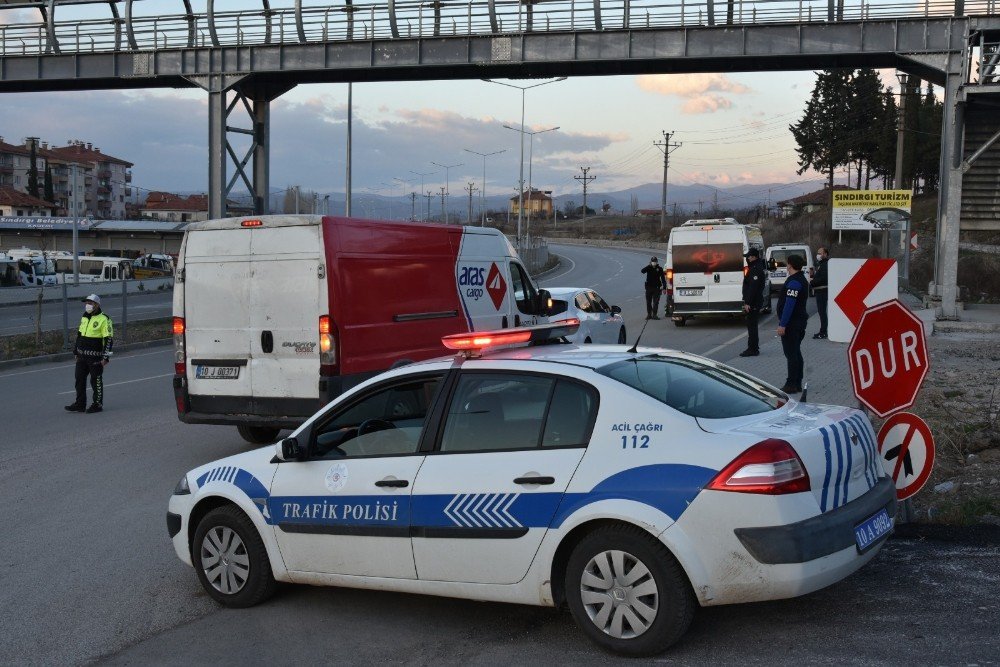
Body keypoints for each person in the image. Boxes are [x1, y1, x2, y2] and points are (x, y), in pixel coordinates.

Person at [65, 294, 114, 414]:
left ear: (97, 305)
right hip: (82, 355)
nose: (88, 305)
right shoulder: (85, 317)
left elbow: (108, 339)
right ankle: (80, 404)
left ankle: (97, 404)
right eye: (86, 303)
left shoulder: (104, 319)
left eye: (90, 303)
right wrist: (76, 351)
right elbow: (80, 334)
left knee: (95, 380)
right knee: (79, 379)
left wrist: (106, 357)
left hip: (95, 356)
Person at [776, 255, 809, 394]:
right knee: (795, 352)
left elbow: (789, 305)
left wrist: (783, 324)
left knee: (791, 354)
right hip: (799, 322)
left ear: (790, 265)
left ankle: (791, 384)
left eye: (787, 263)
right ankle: (797, 382)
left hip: (792, 324)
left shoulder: (795, 282)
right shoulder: (801, 279)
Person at [739, 247, 766, 357]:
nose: (747, 259)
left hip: (753, 302)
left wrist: (748, 303)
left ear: (754, 257)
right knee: (751, 325)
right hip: (754, 301)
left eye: (749, 257)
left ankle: (753, 349)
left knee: (752, 326)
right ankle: (753, 347)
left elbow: (753, 288)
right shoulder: (755, 267)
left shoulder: (755, 269)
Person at [812, 246, 830, 339]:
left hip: (822, 291)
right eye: (818, 253)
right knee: (821, 312)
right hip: (820, 291)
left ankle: (823, 332)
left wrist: (812, 282)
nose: (818, 255)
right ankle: (823, 331)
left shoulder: (825, 265)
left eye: (820, 253)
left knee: (822, 312)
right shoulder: (821, 264)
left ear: (825, 254)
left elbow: (824, 278)